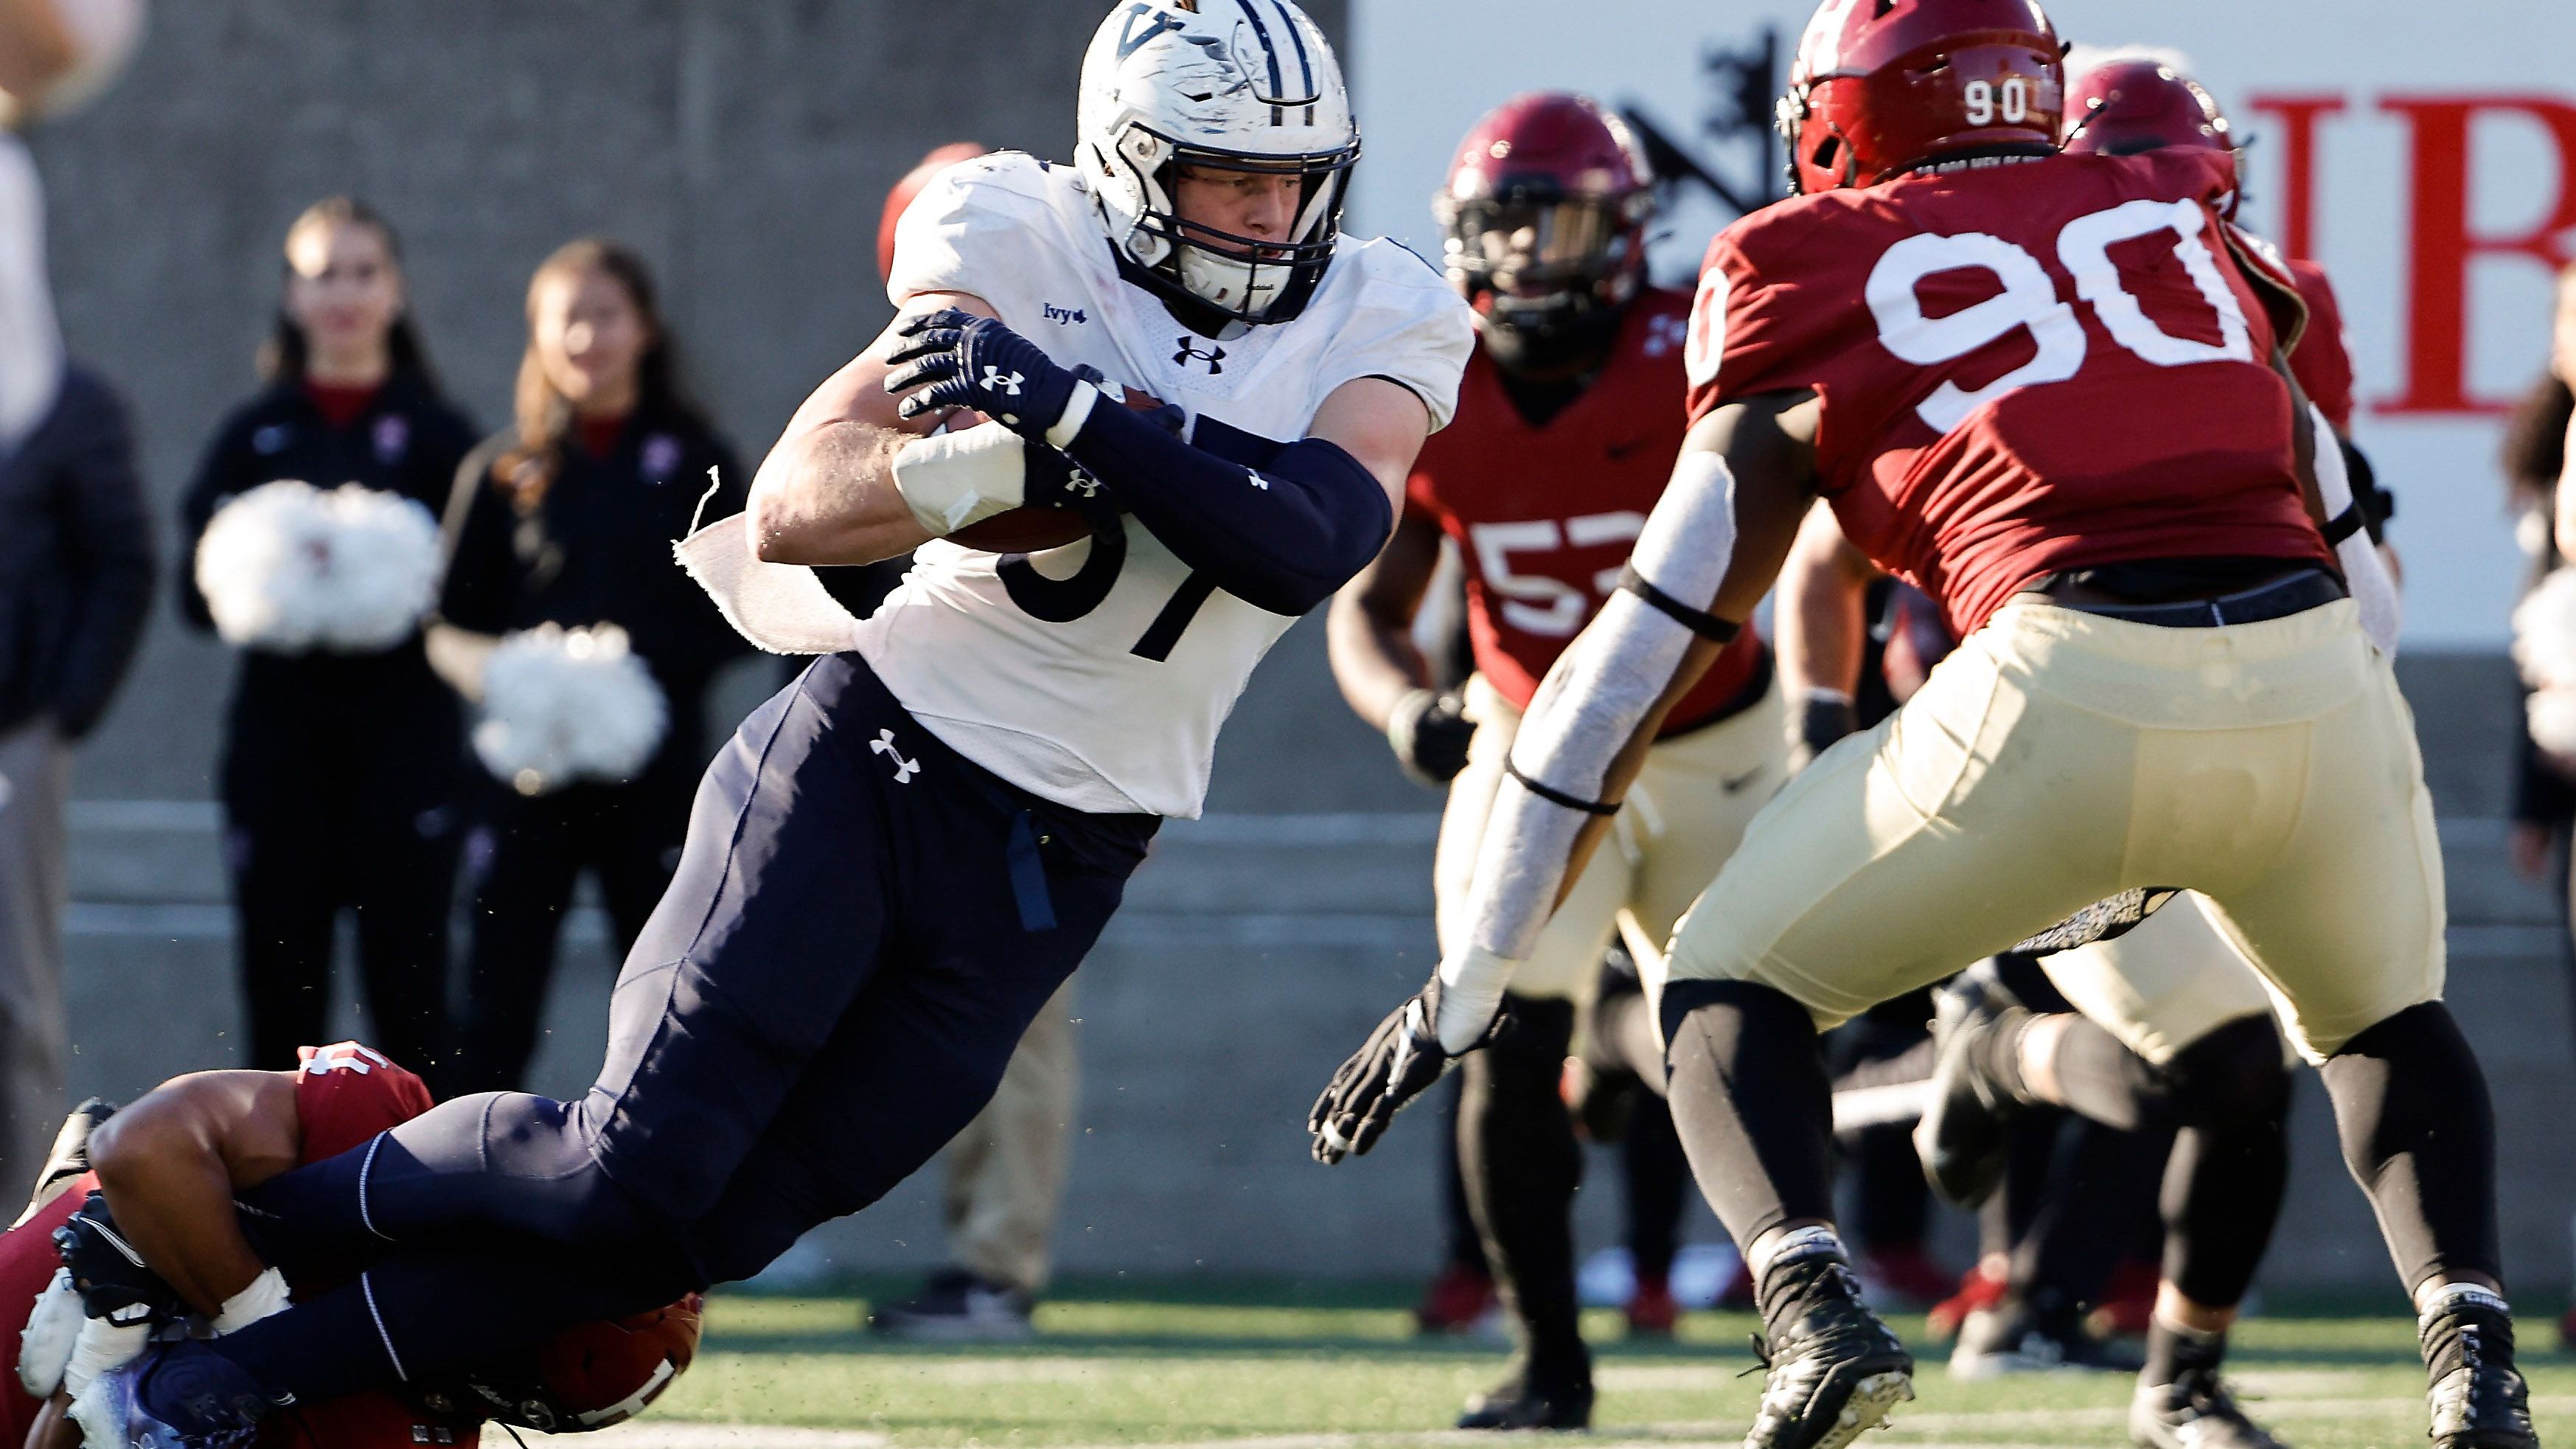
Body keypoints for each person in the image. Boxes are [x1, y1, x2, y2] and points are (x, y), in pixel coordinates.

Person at [83, 4, 1473, 1440]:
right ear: (1128, 164)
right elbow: (803, 502)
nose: (1270, 217)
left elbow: (1309, 535)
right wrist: (967, 473)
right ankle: (182, 1217)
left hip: (1065, 856)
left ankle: (222, 1379)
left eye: (1295, 180)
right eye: (1227, 180)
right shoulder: (1016, 229)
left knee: (689, 1238)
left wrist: (1077, 419)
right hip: (879, 758)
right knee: (629, 1161)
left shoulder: (1379, 308)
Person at [1310, 5, 2526, 1449]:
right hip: (2320, 679)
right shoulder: (2172, 213)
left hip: (2060, 676)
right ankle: (2473, 1364)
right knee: (2383, 1021)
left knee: (1719, 980)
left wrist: (1470, 973)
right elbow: (2356, 567)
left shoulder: (1793, 258)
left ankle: (1815, 1316)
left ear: (1844, 113)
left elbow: (1637, 648)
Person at [1326, 90, 1782, 1431]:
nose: (1529, 255)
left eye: (1559, 221)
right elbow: (1367, 601)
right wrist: (1402, 708)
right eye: (1504, 226)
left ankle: (1796, 1307)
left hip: (1714, 739)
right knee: (1500, 1038)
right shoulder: (1430, 373)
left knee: (1752, 1036)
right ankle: (1548, 1361)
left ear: (1629, 233)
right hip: (1529, 741)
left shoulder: (1689, 351)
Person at [0, 1042, 700, 1448]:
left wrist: (108, 1347)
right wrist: (259, 1323)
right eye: (511, 1369)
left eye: (511, 1400)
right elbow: (138, 1146)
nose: (471, 1390)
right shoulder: (399, 1144)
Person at [433, 240, 751, 1096]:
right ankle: (471, 1201)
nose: (586, 338)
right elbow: (447, 626)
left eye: (604, 314)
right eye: (565, 318)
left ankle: (658, 1206)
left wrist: (632, 675)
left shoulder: (698, 463)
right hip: (522, 778)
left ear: (644, 327)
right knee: (493, 1006)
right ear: (537, 335)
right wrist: (520, 679)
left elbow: (746, 613)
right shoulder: (503, 470)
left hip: (656, 776)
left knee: (667, 1000)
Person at [860, 145, 1085, 1344]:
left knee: (1020, 1009)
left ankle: (999, 1263)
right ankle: (974, 1255)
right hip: (921, 738)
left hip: (1040, 742)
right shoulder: (889, 389)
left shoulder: (1070, 373)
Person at [176, 198, 479, 1081]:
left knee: (412, 993)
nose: (342, 292)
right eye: (320, 273)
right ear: (291, 296)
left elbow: (481, 600)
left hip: (407, 749)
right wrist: (267, 570)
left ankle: (418, 1207)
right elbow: (193, 602)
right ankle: (273, 1211)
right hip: (280, 750)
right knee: (280, 995)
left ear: (394, 291)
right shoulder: (252, 437)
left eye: (362, 271)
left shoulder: (440, 439)